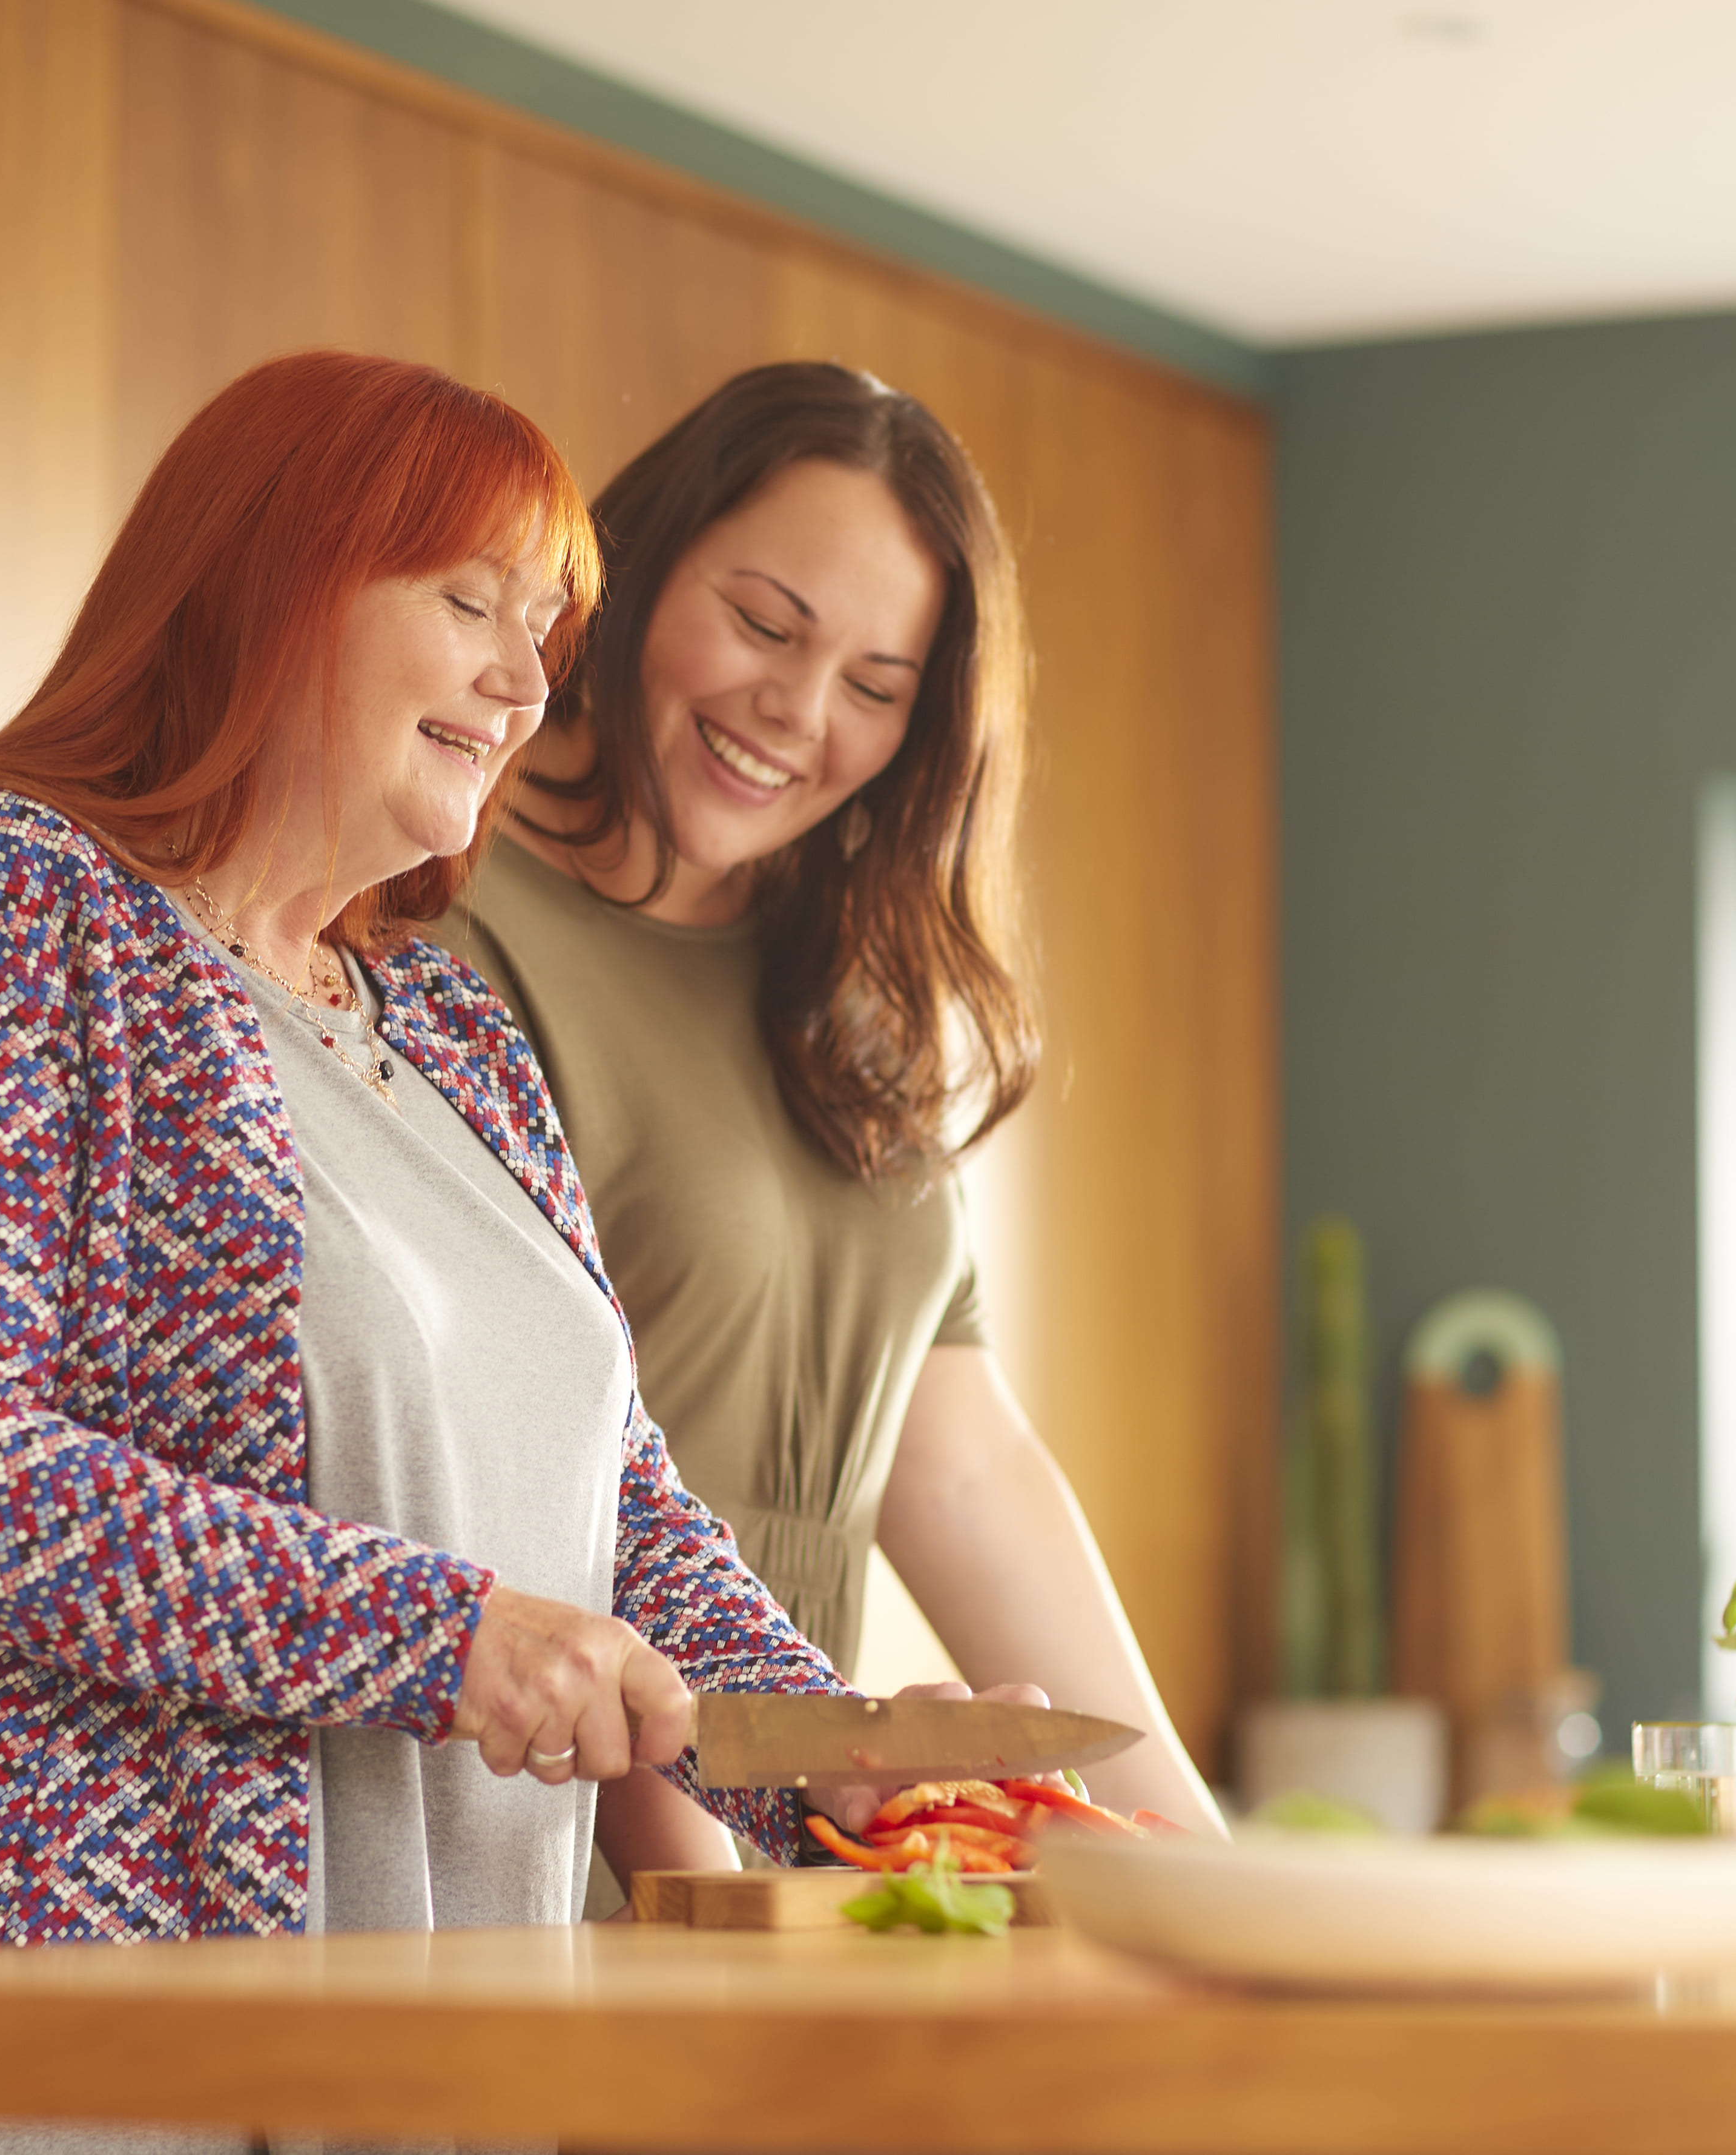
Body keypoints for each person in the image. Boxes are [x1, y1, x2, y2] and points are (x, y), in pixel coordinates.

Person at [0, 351, 969, 2004]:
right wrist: (443, 1634)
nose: (529, 684)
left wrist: (821, 1745)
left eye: (545, 629)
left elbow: (612, 1504)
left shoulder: (445, 1025)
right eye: (471, 605)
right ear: (278, 585)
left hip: (422, 1974)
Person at [430, 362, 1224, 1879]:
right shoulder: (454, 931)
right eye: (762, 625)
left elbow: (961, 1469)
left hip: (791, 1830)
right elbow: (525, 1496)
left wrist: (1205, 1867)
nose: (793, 712)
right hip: (579, 1839)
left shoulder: (849, 1009)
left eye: (873, 686)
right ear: (640, 562)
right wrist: (721, 1902)